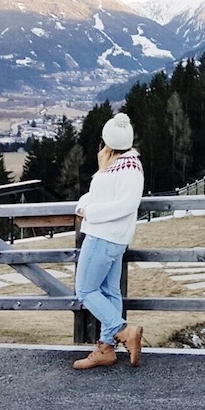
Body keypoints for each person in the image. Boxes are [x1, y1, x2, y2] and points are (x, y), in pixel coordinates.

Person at [72, 112, 145, 370]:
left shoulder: (128, 169)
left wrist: (89, 212)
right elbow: (96, 196)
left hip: (102, 237)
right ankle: (106, 348)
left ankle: (122, 330)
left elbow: (126, 205)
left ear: (106, 140)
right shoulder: (122, 165)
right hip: (113, 239)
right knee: (109, 291)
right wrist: (85, 205)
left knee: (85, 290)